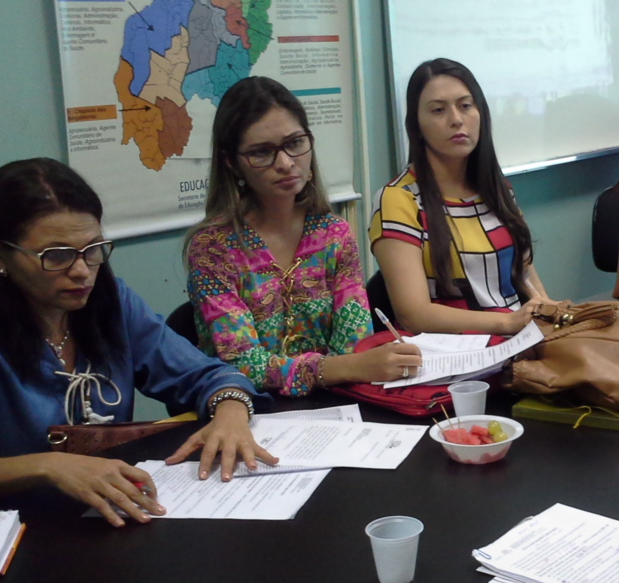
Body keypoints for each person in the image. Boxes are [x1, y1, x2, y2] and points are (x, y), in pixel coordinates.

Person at [0, 158, 276, 527]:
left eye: (93, 249)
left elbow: (208, 375)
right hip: (19, 532)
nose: (82, 271)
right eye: (56, 256)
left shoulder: (110, 302)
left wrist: (231, 410)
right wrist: (48, 466)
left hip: (109, 518)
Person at [186, 77, 421, 394]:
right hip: (247, 409)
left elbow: (354, 343)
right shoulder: (213, 248)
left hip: (334, 406)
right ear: (233, 164)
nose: (285, 163)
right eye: (261, 152)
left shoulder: (333, 234)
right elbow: (243, 365)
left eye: (295, 143)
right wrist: (341, 368)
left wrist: (351, 367)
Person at [369, 58, 555, 334]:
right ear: (417, 125)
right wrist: (506, 322)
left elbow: (526, 276)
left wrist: (550, 313)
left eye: (465, 106)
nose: (456, 119)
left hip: (520, 338)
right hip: (453, 349)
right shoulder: (398, 199)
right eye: (438, 110)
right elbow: (413, 315)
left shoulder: (498, 189)